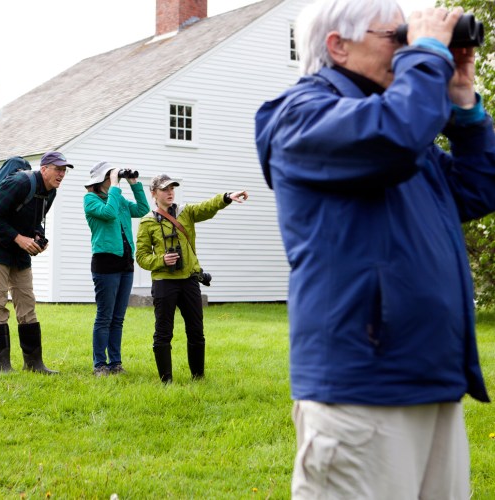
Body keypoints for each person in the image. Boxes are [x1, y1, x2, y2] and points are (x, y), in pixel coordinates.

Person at [254, 1, 495, 498]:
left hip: (430, 379)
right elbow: (394, 136)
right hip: (361, 388)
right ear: (337, 45)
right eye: (398, 37)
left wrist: (463, 104)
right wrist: (428, 52)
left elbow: (478, 188)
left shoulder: (400, 130)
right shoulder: (299, 116)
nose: (409, 49)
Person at [135, 174, 247, 383]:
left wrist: (227, 197)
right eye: (164, 189)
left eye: (172, 188)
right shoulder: (147, 222)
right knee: (163, 332)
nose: (170, 192)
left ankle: (199, 377)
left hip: (189, 280)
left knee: (196, 331)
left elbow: (207, 207)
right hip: (163, 282)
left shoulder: (186, 213)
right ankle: (166, 381)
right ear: (153, 193)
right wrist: (162, 259)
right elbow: (141, 257)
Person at [0, 151, 73, 375]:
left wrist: (38, 238)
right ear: (44, 170)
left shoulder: (50, 193)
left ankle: (34, 364)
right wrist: (19, 238)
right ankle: (3, 367)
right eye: (57, 169)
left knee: (27, 305)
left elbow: (35, 222)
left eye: (64, 170)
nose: (61, 174)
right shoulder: (20, 183)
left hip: (20, 252)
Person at [83, 162, 150, 376]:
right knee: (105, 316)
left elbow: (142, 209)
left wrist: (134, 184)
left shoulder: (117, 196)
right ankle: (99, 365)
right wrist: (114, 185)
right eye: (111, 176)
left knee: (118, 317)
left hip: (125, 263)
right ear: (101, 179)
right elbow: (110, 213)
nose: (115, 179)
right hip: (105, 262)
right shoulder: (90, 200)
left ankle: (115, 363)